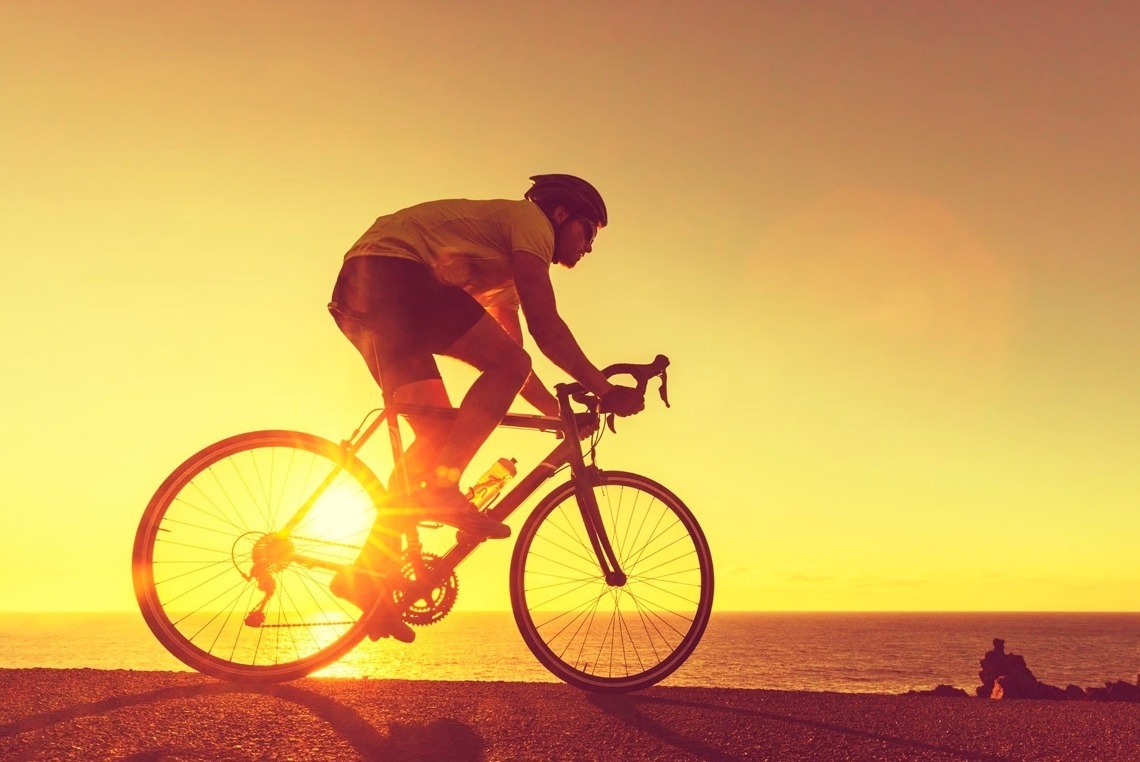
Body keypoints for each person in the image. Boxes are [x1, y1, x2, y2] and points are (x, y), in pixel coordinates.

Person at [327, 174, 645, 642]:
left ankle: (364, 575)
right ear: (560, 216)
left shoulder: (508, 278)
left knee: (434, 438)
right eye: (589, 232)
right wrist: (602, 389)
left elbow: (515, 363)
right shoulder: (530, 223)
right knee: (449, 448)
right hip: (391, 271)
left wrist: (556, 415)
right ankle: (444, 488)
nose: (590, 247)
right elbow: (545, 328)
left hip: (362, 290)